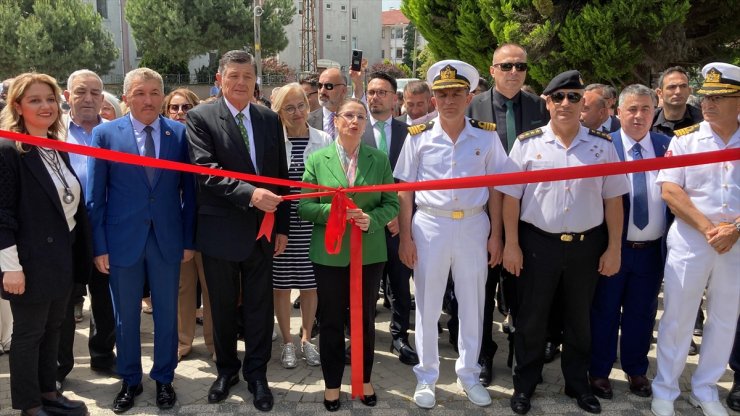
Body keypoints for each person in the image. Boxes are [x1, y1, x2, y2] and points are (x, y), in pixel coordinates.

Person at [498, 70, 629, 415]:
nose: (566, 103)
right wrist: (511, 244)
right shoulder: (527, 144)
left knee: (579, 320)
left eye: (574, 97)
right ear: (547, 102)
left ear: (584, 102)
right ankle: (524, 385)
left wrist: (614, 247)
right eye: (558, 97)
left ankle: (577, 384)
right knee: (531, 320)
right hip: (538, 245)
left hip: (587, 246)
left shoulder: (602, 146)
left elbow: (613, 200)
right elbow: (510, 198)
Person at [394, 59, 508, 409]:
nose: (449, 100)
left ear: (470, 95)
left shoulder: (486, 136)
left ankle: (469, 374)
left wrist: (497, 236)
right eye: (442, 94)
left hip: (475, 224)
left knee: (473, 304)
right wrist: (405, 238)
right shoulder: (419, 137)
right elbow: (405, 190)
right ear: (433, 99)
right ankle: (427, 377)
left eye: (457, 93)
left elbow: (498, 189)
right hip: (430, 226)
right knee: (427, 305)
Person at [185, 50, 289, 412]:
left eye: (247, 76)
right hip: (221, 230)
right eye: (234, 76)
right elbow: (206, 170)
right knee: (223, 308)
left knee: (260, 307)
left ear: (255, 80)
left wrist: (283, 226)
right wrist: (250, 195)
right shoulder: (200, 118)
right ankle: (226, 370)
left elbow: (281, 176)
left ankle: (257, 373)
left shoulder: (267, 118)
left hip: (264, 230)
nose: (241, 82)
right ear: (219, 79)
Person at [87, 67, 196, 413]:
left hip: (167, 238)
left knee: (166, 313)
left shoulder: (179, 133)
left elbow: (189, 193)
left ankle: (164, 378)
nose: (147, 100)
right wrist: (99, 246)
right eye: (139, 93)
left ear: (162, 97)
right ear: (126, 97)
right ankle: (130, 379)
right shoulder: (105, 135)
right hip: (122, 240)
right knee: (125, 317)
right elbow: (95, 195)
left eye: (153, 93)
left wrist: (188, 239)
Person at [298, 97, 399, 412]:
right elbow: (305, 206)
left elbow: (391, 203)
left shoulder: (378, 159)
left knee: (365, 319)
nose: (354, 121)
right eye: (348, 116)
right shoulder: (317, 159)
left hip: (369, 253)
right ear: (336, 121)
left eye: (360, 116)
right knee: (329, 319)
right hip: (330, 253)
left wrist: (372, 220)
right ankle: (331, 385)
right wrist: (337, 212)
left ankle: (364, 380)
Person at [651, 62, 740, 416]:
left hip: (735, 243)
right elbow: (670, 190)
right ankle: (665, 389)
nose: (708, 103)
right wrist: (708, 229)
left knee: (724, 317)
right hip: (692, 239)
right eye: (706, 96)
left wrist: (734, 229)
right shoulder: (685, 139)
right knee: (678, 317)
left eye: (719, 97)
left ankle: (705, 389)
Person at [0, 72, 91, 416]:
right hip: (27, 262)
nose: (45, 106)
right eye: (35, 100)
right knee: (28, 335)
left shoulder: (55, 147)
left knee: (54, 328)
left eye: (50, 99)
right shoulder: (8, 150)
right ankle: (29, 405)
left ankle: (48, 393)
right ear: (18, 106)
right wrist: (10, 268)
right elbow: (2, 215)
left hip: (60, 258)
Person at [465, 42, 550, 384]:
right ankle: (484, 356)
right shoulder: (473, 107)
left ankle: (523, 357)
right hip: (482, 214)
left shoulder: (540, 108)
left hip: (529, 214)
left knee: (524, 294)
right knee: (481, 293)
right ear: (492, 70)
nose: (514, 72)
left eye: (520, 66)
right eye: (506, 66)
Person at [588, 84, 671, 400]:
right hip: (614, 248)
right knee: (605, 310)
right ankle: (599, 371)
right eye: (632, 109)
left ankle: (636, 370)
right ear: (617, 112)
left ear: (654, 112)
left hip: (651, 250)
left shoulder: (667, 146)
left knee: (643, 312)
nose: (638, 116)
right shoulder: (602, 146)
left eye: (646, 109)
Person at [56, 70, 118, 389]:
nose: (89, 98)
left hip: (106, 225)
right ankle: (60, 366)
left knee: (106, 296)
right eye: (81, 92)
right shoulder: (53, 134)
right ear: (67, 97)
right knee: (64, 300)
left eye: (96, 92)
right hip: (65, 227)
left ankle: (103, 356)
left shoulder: (114, 132)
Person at [270, 82, 331, 369]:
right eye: (290, 107)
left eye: (302, 106)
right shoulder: (271, 140)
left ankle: (307, 339)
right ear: (279, 111)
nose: (297, 112)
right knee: (280, 286)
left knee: (310, 285)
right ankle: (287, 342)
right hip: (281, 224)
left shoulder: (324, 139)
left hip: (312, 223)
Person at [361, 72, 416, 365]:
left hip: (399, 224)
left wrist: (399, 215)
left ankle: (400, 336)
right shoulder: (356, 131)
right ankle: (362, 338)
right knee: (366, 286)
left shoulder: (412, 134)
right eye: (371, 92)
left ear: (395, 99)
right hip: (366, 223)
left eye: (382, 92)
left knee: (400, 282)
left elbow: (416, 183)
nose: (375, 97)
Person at [160, 87, 215, 362]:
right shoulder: (163, 142)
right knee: (183, 287)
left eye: (186, 108)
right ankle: (183, 341)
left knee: (212, 286)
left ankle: (215, 344)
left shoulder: (204, 139)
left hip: (207, 223)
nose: (180, 113)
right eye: (174, 108)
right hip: (177, 225)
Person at [652, 66, 703, 137]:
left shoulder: (702, 120)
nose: (678, 92)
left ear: (689, 91)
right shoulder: (649, 121)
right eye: (672, 87)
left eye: (683, 86)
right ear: (659, 93)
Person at [307, 67, 348, 137]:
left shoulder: (353, 120)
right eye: (319, 86)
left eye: (328, 86)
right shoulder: (307, 121)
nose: (322, 91)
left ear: (343, 90)